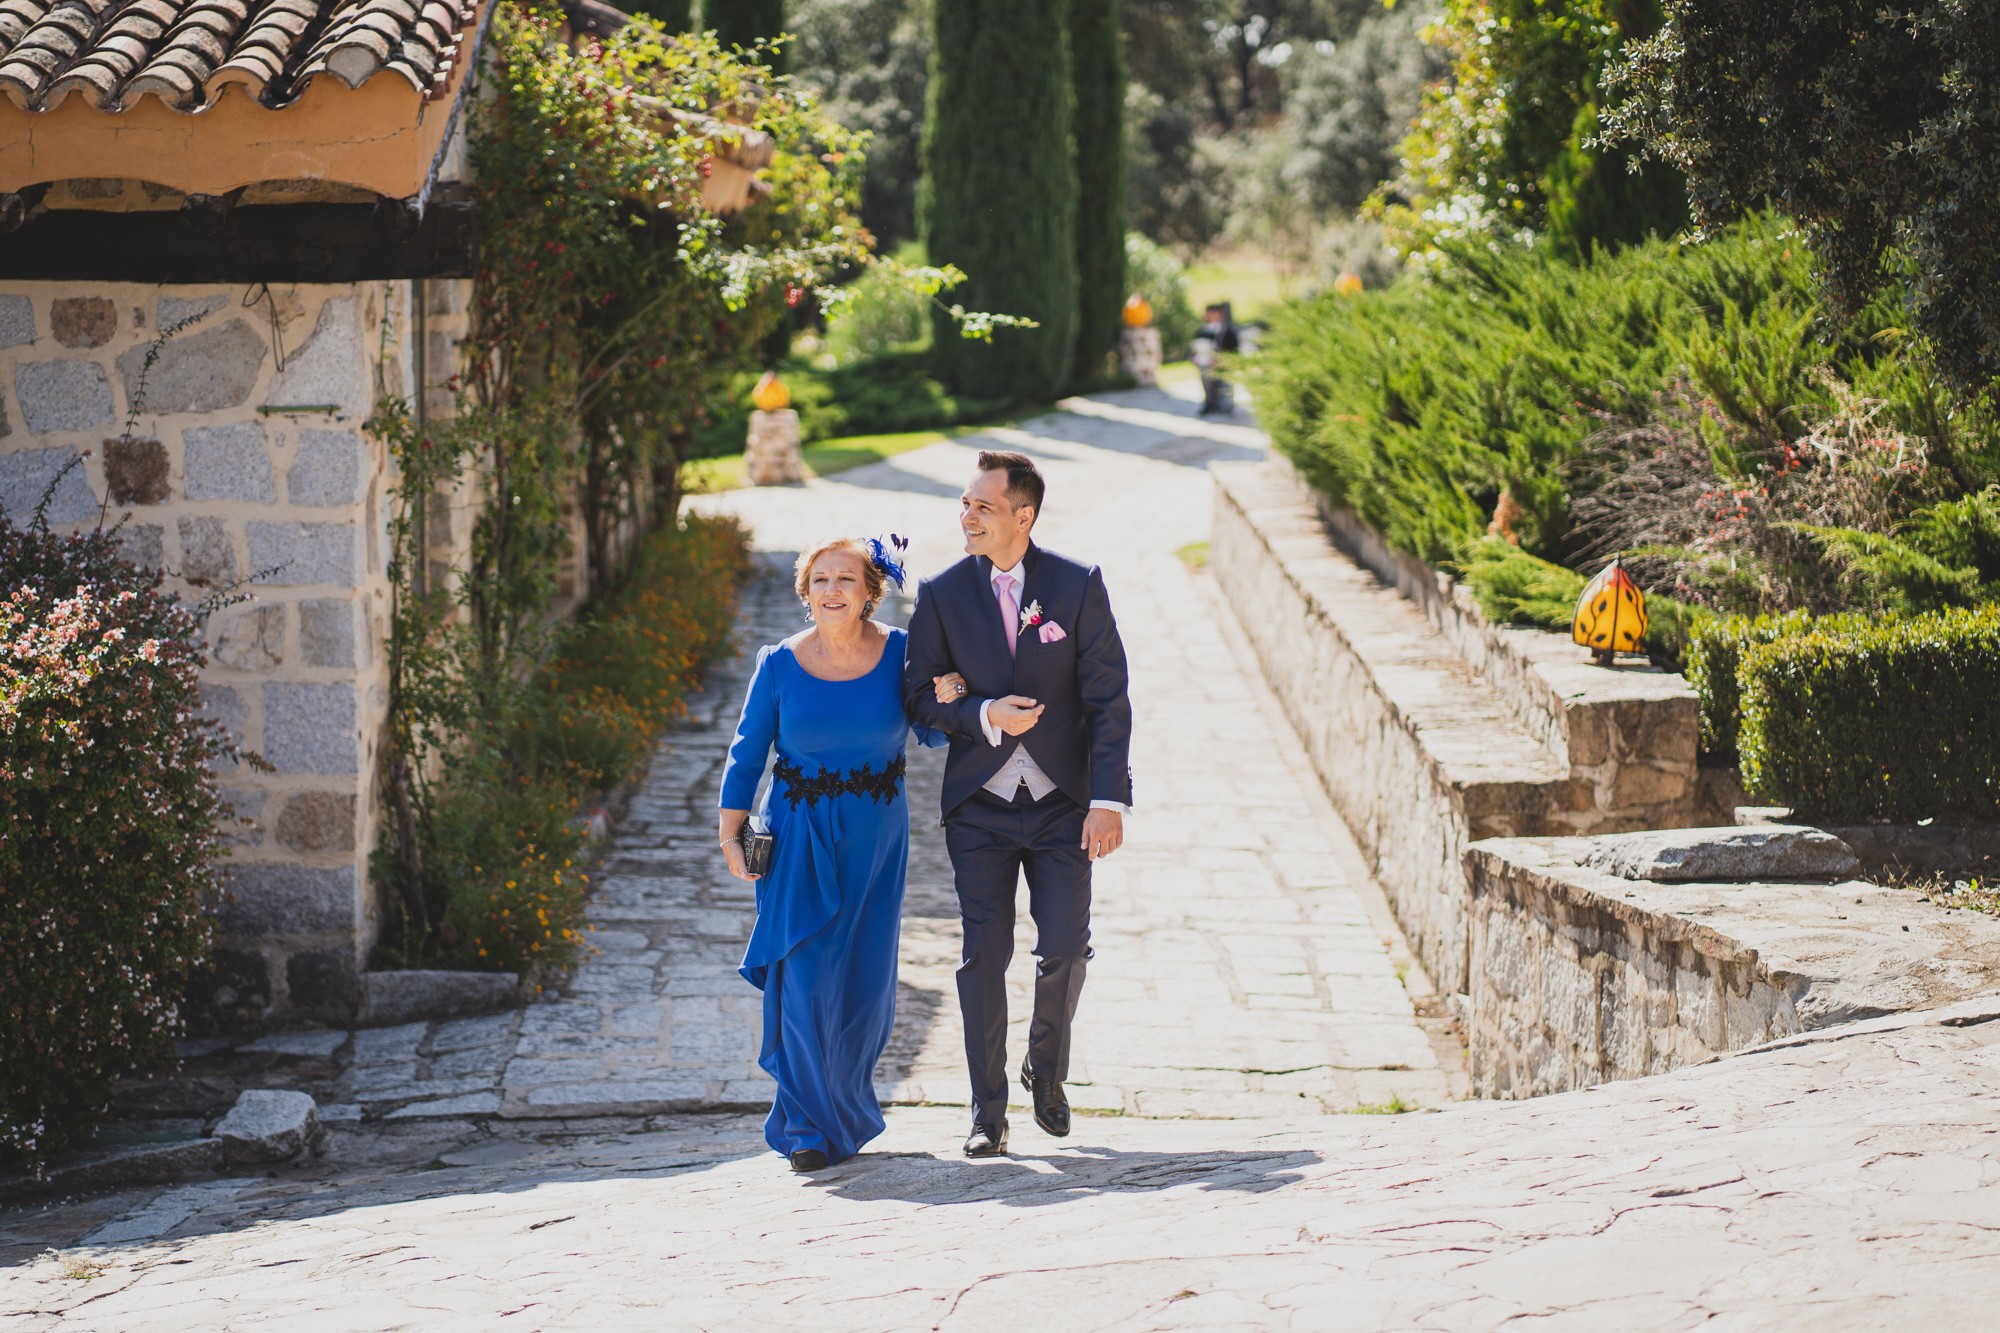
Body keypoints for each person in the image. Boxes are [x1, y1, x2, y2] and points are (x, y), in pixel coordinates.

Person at [903, 450, 1135, 1158]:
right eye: (965, 504)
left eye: (983, 506)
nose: (967, 516)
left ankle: (1046, 1067)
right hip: (980, 803)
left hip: (1065, 802)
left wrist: (1107, 800)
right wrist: (982, 712)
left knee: (1064, 946)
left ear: (1023, 516)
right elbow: (918, 698)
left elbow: (1108, 699)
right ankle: (987, 1110)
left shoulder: (1076, 584)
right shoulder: (942, 593)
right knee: (985, 953)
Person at [718, 535, 941, 1173]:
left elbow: (931, 730)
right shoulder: (778, 664)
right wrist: (731, 834)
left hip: (877, 838)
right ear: (806, 593)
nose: (832, 590)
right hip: (798, 837)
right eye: (820, 580)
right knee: (805, 977)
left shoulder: (902, 653)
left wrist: (952, 688)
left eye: (846, 579)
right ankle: (807, 1128)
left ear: (871, 592)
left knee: (865, 985)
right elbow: (746, 754)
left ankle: (841, 1107)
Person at [1194, 301, 1240, 416]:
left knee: (1224, 389)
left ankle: (1225, 405)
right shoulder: (1203, 330)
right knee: (1208, 386)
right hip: (1206, 364)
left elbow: (1233, 348)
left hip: (1223, 366)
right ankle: (1210, 404)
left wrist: (1222, 359)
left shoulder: (1226, 330)